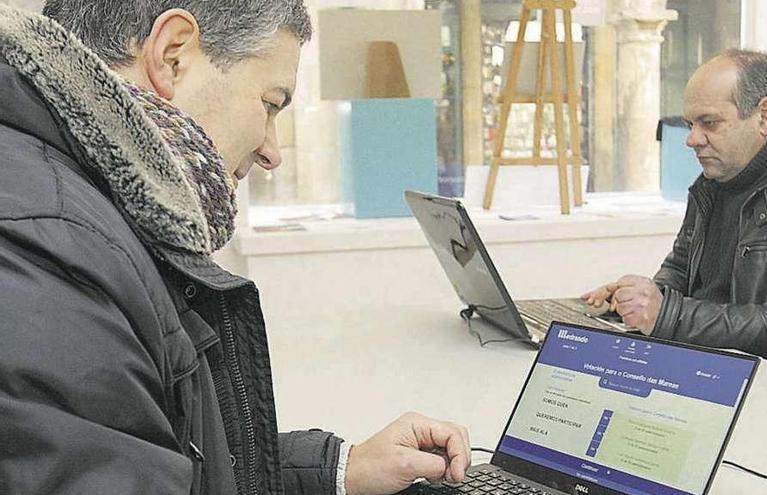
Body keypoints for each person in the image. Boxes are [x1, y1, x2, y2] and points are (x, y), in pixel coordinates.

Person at [0, 2, 470, 494]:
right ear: (172, 55)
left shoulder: (71, 211)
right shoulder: (50, 250)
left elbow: (162, 454)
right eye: (270, 103)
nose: (272, 151)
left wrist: (338, 469)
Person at [583, 49, 767, 395]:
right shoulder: (716, 181)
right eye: (690, 123)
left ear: (765, 116)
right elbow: (681, 272)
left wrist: (666, 314)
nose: (692, 139)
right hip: (737, 382)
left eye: (709, 123)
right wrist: (635, 302)